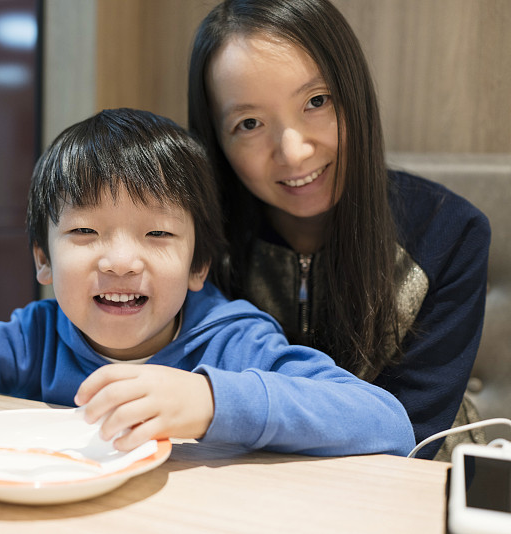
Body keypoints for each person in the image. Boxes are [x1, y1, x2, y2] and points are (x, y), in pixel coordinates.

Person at [0, 107, 414, 456]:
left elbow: (385, 421)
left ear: (197, 266)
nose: (120, 261)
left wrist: (210, 401)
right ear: (43, 260)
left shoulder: (232, 342)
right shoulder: (36, 336)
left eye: (157, 236)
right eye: (85, 232)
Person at [187, 0, 490, 460]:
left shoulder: (450, 233)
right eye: (249, 123)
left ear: (355, 93)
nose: (293, 152)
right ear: (216, 139)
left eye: (316, 101)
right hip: (245, 482)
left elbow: (413, 435)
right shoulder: (193, 239)